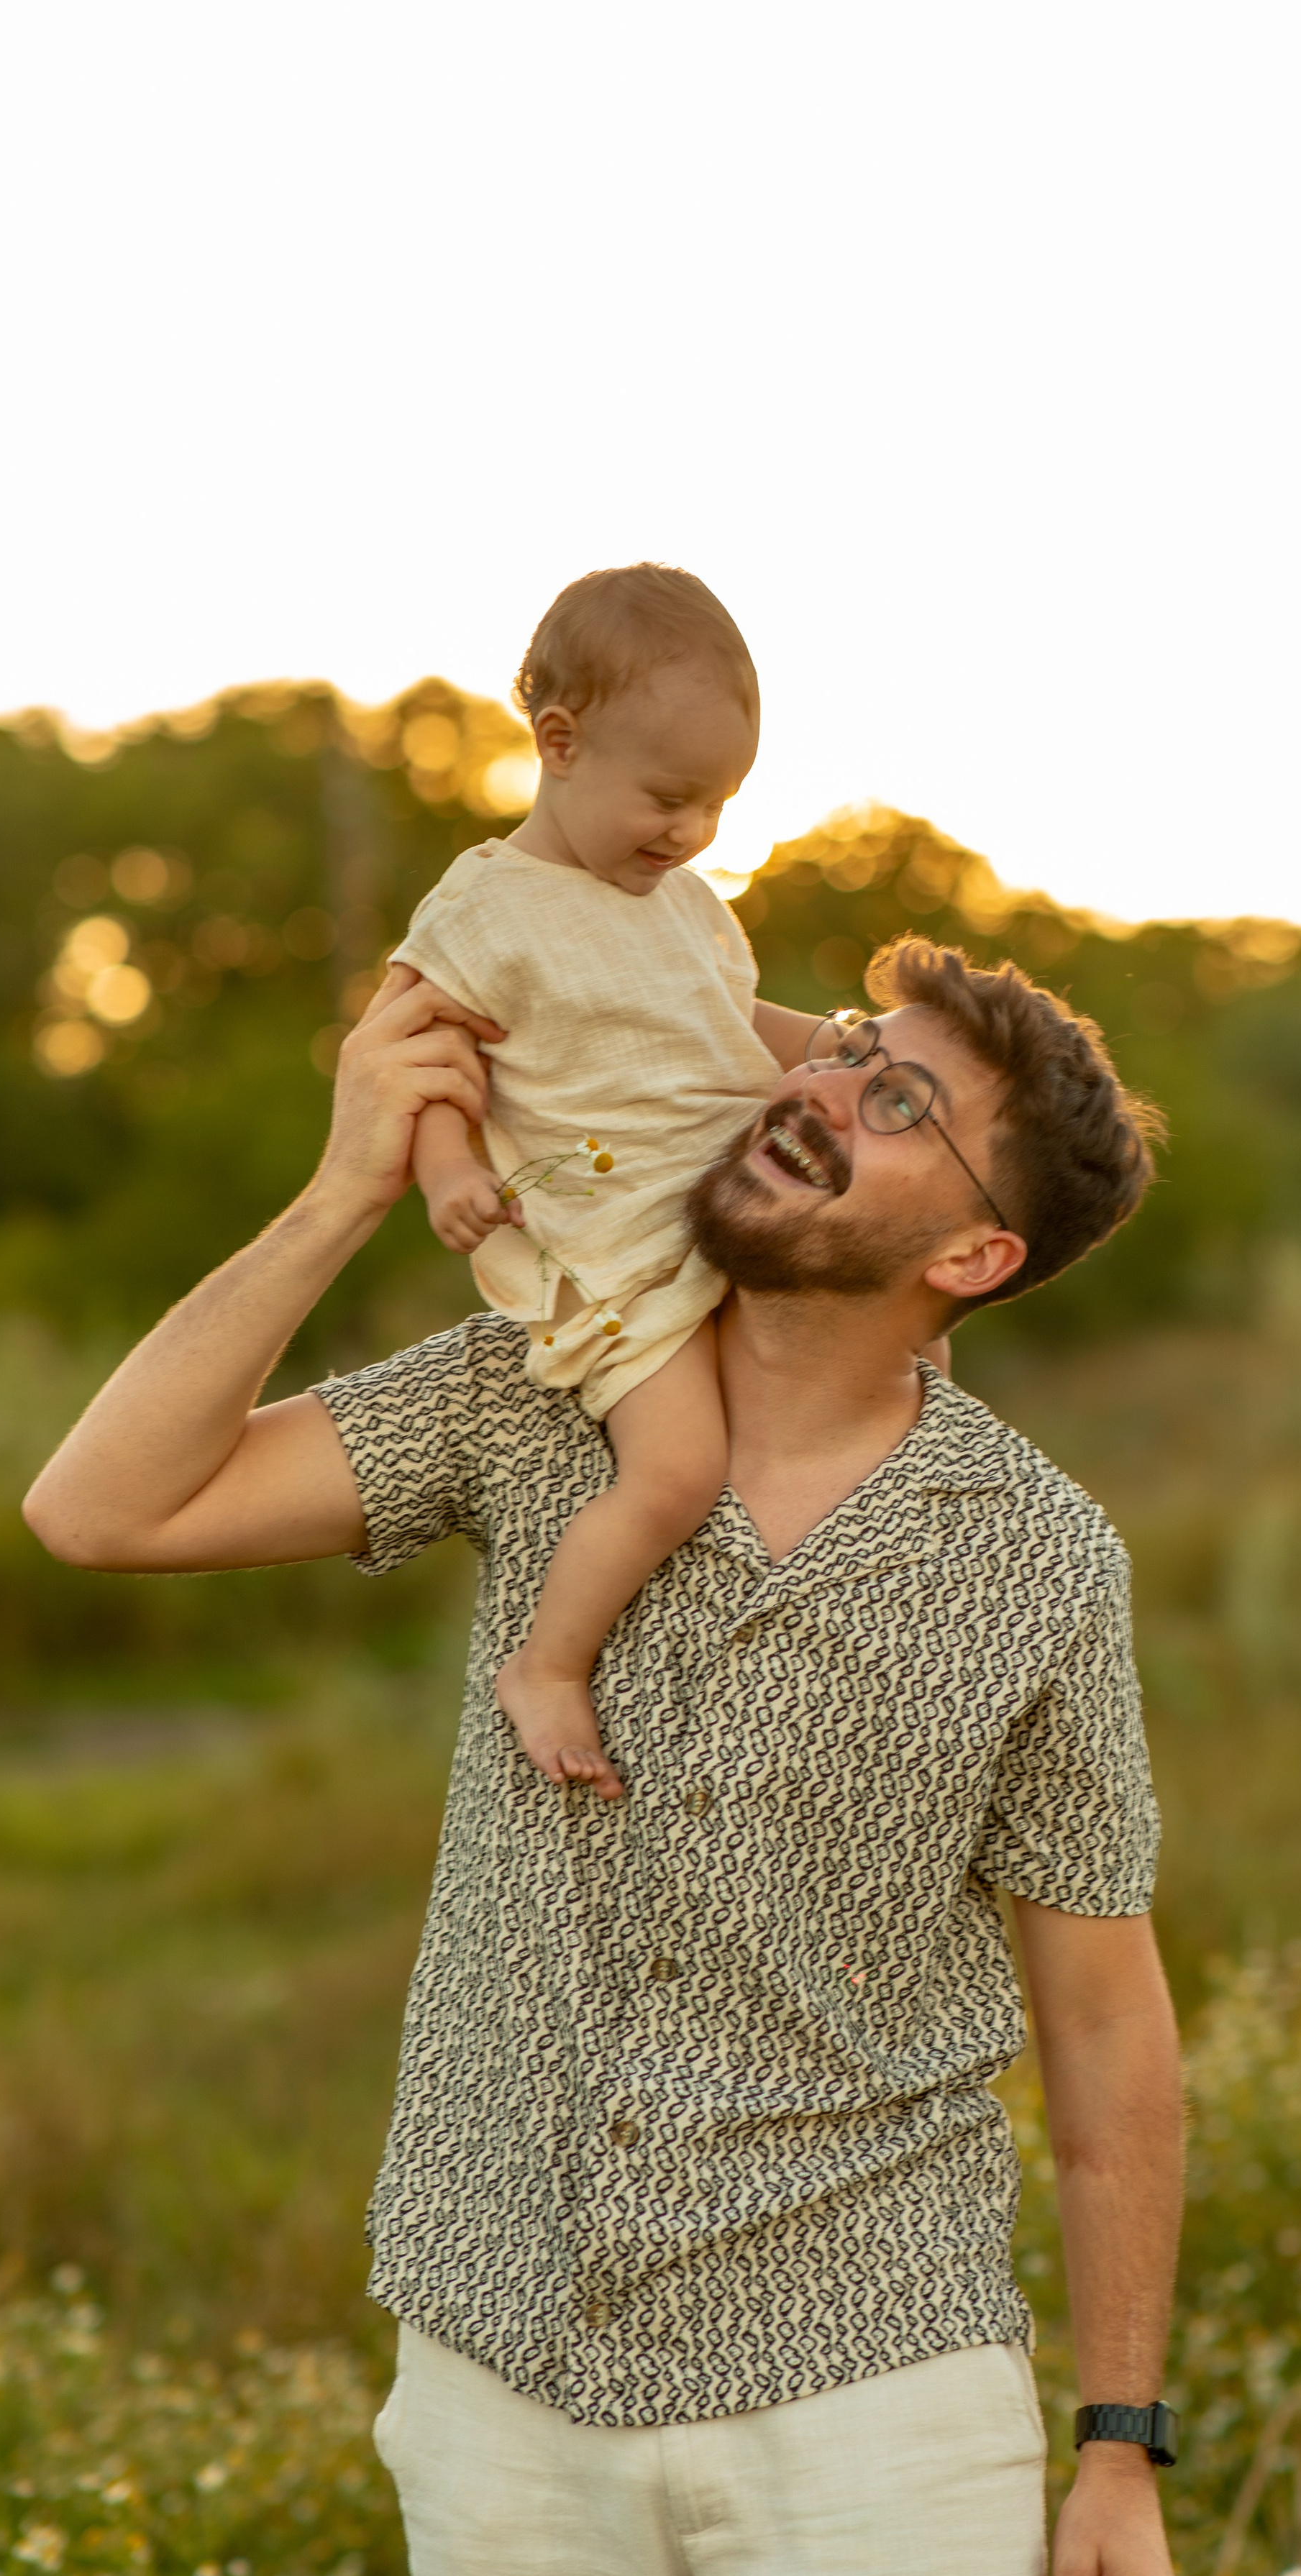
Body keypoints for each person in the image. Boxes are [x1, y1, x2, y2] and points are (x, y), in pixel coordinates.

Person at [24, 928, 1187, 2576]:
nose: (814, 1089)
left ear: (973, 1255)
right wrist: (343, 1187)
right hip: (506, 2393)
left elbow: (1109, 2032)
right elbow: (95, 1510)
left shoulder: (1036, 1563)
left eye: (896, 1103)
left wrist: (1120, 2449)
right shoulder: (529, 1389)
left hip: (873, 2389)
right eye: (842, 1048)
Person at [398, 562, 830, 1801]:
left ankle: (856, 1600)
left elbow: (735, 1022)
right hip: (624, 1255)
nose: (693, 834)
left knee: (897, 1349)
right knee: (679, 1471)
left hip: (741, 1213)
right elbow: (425, 1064)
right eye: (671, 798)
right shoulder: (489, 909)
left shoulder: (685, 904)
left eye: (719, 807)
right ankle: (549, 1661)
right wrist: (444, 1176)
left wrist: (845, 1042)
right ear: (560, 741)